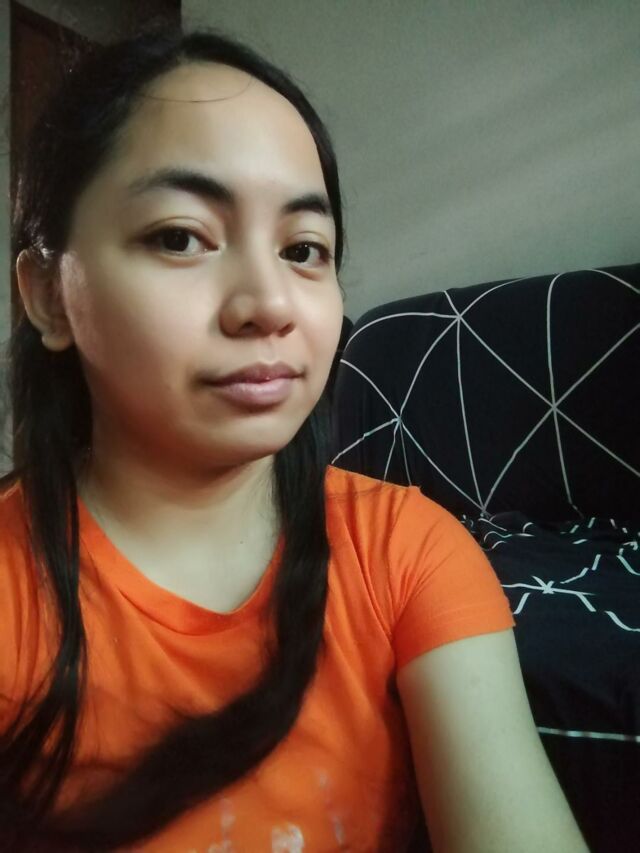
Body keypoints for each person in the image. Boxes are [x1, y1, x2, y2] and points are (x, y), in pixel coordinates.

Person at [0, 28, 588, 853]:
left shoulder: (410, 553)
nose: (270, 304)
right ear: (48, 294)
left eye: (304, 249)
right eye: (180, 236)